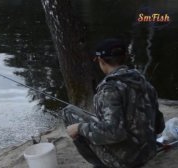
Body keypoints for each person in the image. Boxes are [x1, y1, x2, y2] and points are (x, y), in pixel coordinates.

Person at [63, 38, 165, 168]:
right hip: (149, 152)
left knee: (68, 112)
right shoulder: (142, 80)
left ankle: (101, 164)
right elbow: (159, 126)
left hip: (125, 162)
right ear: (124, 58)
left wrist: (79, 128)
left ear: (101, 61)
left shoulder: (109, 89)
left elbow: (114, 133)